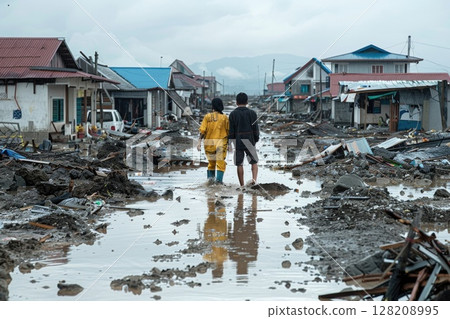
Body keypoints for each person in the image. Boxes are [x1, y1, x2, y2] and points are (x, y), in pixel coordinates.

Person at [228, 92, 259, 186]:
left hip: (238, 141)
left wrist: (231, 143)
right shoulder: (252, 113)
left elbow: (231, 131)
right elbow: (256, 129)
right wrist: (255, 139)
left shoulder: (233, 114)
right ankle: (253, 181)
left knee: (239, 164)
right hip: (249, 140)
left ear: (236, 102)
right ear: (247, 102)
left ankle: (242, 185)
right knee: (254, 161)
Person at [197, 97, 229, 184]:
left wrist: (199, 143)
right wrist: (230, 145)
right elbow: (228, 132)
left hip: (209, 143)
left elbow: (202, 131)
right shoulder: (224, 118)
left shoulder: (207, 117)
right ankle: (218, 183)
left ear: (213, 106)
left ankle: (210, 183)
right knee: (220, 163)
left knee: (211, 163)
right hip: (220, 144)